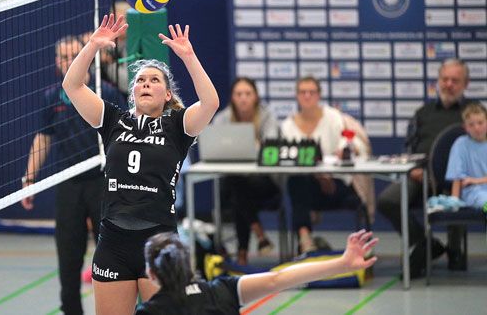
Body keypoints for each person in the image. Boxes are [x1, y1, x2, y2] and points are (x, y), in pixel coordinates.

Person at [63, 14, 219, 315]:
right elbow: (73, 85)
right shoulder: (113, 119)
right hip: (113, 242)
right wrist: (93, 46)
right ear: (133, 92)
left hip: (159, 243)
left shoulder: (178, 126)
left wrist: (189, 57)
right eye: (141, 81)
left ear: (167, 93)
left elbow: (210, 102)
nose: (146, 84)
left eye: (154, 80)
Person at [20, 37, 126, 315]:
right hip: (68, 184)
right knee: (69, 259)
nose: (67, 62)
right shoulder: (51, 97)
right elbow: (42, 139)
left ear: (86, 58)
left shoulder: (107, 92)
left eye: (73, 56)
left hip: (103, 183)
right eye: (63, 57)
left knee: (112, 255)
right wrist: (28, 180)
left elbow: (124, 139)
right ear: (57, 62)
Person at [377, 58, 472, 277]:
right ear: (438, 81)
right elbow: (409, 147)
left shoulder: (474, 114)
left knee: (457, 199)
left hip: (459, 180)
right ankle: (425, 243)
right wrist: (413, 169)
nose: (448, 84)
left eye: (455, 80)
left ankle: (455, 249)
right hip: (421, 176)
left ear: (465, 84)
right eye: (444, 79)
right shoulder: (423, 113)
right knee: (388, 200)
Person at [136, 229, 378, 315]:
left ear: (151, 273)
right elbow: (279, 279)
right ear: (188, 265)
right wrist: (342, 264)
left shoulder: (149, 311)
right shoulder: (222, 291)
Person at [280, 76, 369, 254]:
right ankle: (306, 240)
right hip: (307, 187)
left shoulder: (333, 117)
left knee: (299, 187)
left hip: (337, 184)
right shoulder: (287, 126)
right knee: (296, 182)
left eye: (311, 92)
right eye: (302, 92)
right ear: (296, 96)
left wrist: (345, 150)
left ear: (319, 95)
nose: (307, 96)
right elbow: (286, 158)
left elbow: (354, 144)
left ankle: (307, 241)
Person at [213, 77, 282, 265]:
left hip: (264, 183)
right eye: (238, 94)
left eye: (248, 94)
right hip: (237, 183)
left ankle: (242, 253)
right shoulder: (223, 118)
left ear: (256, 96)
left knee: (237, 189)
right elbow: (214, 146)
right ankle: (258, 233)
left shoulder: (267, 116)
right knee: (237, 186)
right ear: (232, 98)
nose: (243, 98)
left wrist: (254, 147)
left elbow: (270, 148)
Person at [446, 102, 487, 210]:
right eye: (471, 125)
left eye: (480, 123)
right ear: (465, 127)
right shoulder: (460, 144)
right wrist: (454, 200)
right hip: (474, 193)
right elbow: (457, 176)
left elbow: (471, 180)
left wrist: (476, 180)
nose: (477, 128)